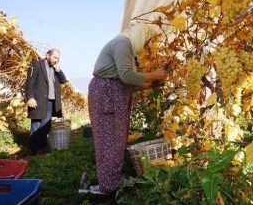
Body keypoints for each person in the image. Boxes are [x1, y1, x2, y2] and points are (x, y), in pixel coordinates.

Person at [80, 23, 167, 195]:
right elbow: (126, 76)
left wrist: (150, 84)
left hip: (112, 94)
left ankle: (112, 180)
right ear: (141, 35)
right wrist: (153, 75)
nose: (147, 45)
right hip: (107, 96)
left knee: (115, 138)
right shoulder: (122, 43)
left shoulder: (126, 47)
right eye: (147, 40)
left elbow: (126, 84)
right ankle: (109, 186)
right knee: (109, 139)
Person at [25, 49, 68, 155]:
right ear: (47, 55)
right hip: (38, 100)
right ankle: (35, 149)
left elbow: (63, 80)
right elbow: (29, 83)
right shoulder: (36, 65)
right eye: (55, 57)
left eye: (58, 58)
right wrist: (30, 97)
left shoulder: (55, 68)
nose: (56, 60)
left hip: (50, 101)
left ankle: (42, 146)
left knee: (46, 125)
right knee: (36, 124)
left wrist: (58, 69)